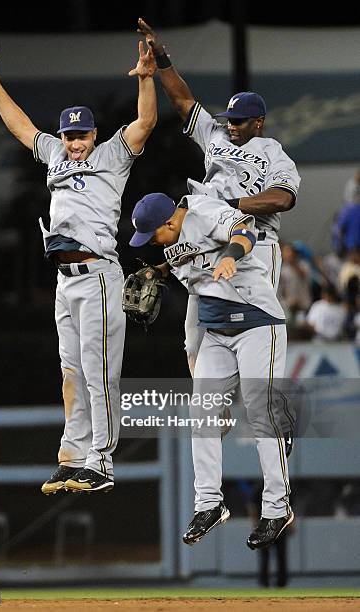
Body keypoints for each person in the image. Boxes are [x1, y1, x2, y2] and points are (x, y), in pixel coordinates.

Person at [0, 42, 157, 495]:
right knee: (72, 372)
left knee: (99, 372)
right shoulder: (56, 157)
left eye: (82, 134)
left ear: (94, 134)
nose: (75, 142)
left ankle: (103, 461)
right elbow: (22, 128)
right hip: (65, 281)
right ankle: (74, 454)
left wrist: (145, 77)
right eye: (69, 135)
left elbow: (146, 123)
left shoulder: (111, 157)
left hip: (98, 275)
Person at [129, 192, 294, 550]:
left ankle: (277, 508)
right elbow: (185, 260)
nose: (151, 242)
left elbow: (244, 231)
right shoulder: (175, 239)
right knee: (201, 414)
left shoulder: (204, 211)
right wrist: (157, 271)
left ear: (171, 221)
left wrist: (232, 256)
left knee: (259, 411)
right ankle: (208, 504)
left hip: (256, 323)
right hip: (217, 333)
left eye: (152, 235)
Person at [136, 18, 301, 376]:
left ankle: (268, 409)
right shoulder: (216, 135)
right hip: (206, 237)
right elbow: (182, 100)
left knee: (255, 328)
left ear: (258, 122)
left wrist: (230, 206)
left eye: (239, 121)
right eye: (229, 118)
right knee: (194, 338)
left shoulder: (273, 152)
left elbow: (282, 198)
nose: (231, 125)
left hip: (256, 242)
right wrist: (162, 58)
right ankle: (214, 408)